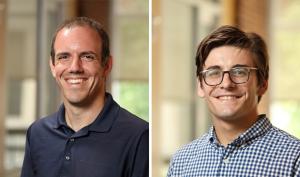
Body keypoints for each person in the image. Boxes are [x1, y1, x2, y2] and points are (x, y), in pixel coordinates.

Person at [21, 17, 148, 177]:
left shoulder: (139, 137)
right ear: (53, 66)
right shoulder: (37, 133)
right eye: (63, 57)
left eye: (87, 56)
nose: (75, 67)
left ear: (107, 65)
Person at [167, 26, 300, 176]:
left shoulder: (295, 160)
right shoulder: (181, 162)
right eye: (214, 73)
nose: (226, 84)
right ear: (200, 85)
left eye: (239, 72)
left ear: (262, 84)